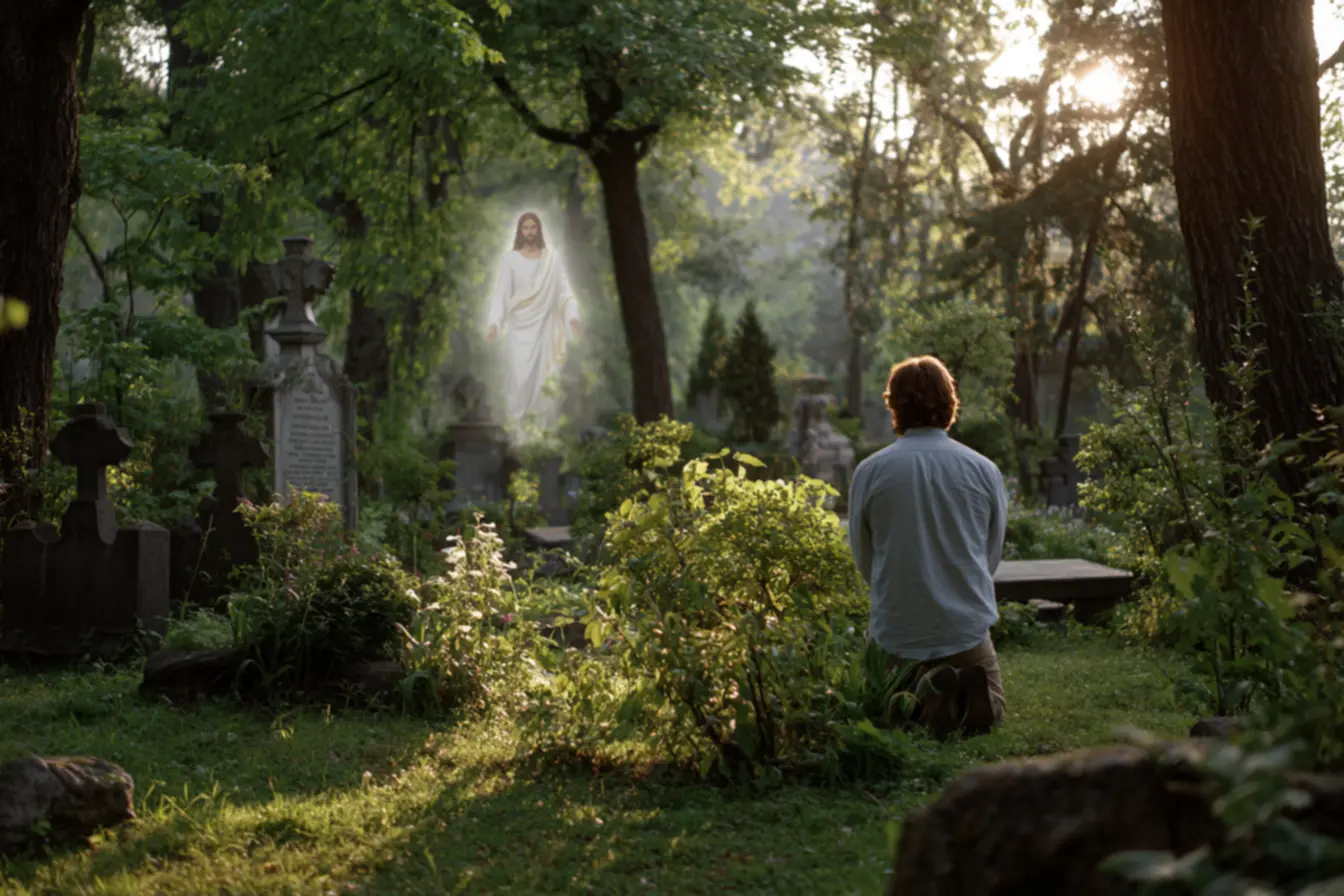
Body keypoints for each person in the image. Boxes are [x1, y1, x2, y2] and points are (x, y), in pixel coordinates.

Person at [847, 355, 1009, 739]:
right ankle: (963, 700)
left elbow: (864, 558)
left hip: (897, 632)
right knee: (995, 708)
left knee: (886, 707)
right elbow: (990, 555)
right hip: (964, 630)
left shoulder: (870, 471)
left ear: (894, 406)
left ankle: (925, 698)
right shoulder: (983, 469)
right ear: (950, 403)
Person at [485, 212, 582, 433]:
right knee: (519, 384)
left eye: (533, 227)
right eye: (525, 228)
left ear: (539, 230)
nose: (530, 232)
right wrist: (494, 323)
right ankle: (517, 440)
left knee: (545, 385)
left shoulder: (552, 260)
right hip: (519, 331)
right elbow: (501, 294)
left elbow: (564, 291)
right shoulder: (510, 260)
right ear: (520, 231)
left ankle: (543, 439)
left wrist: (573, 317)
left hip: (546, 329)